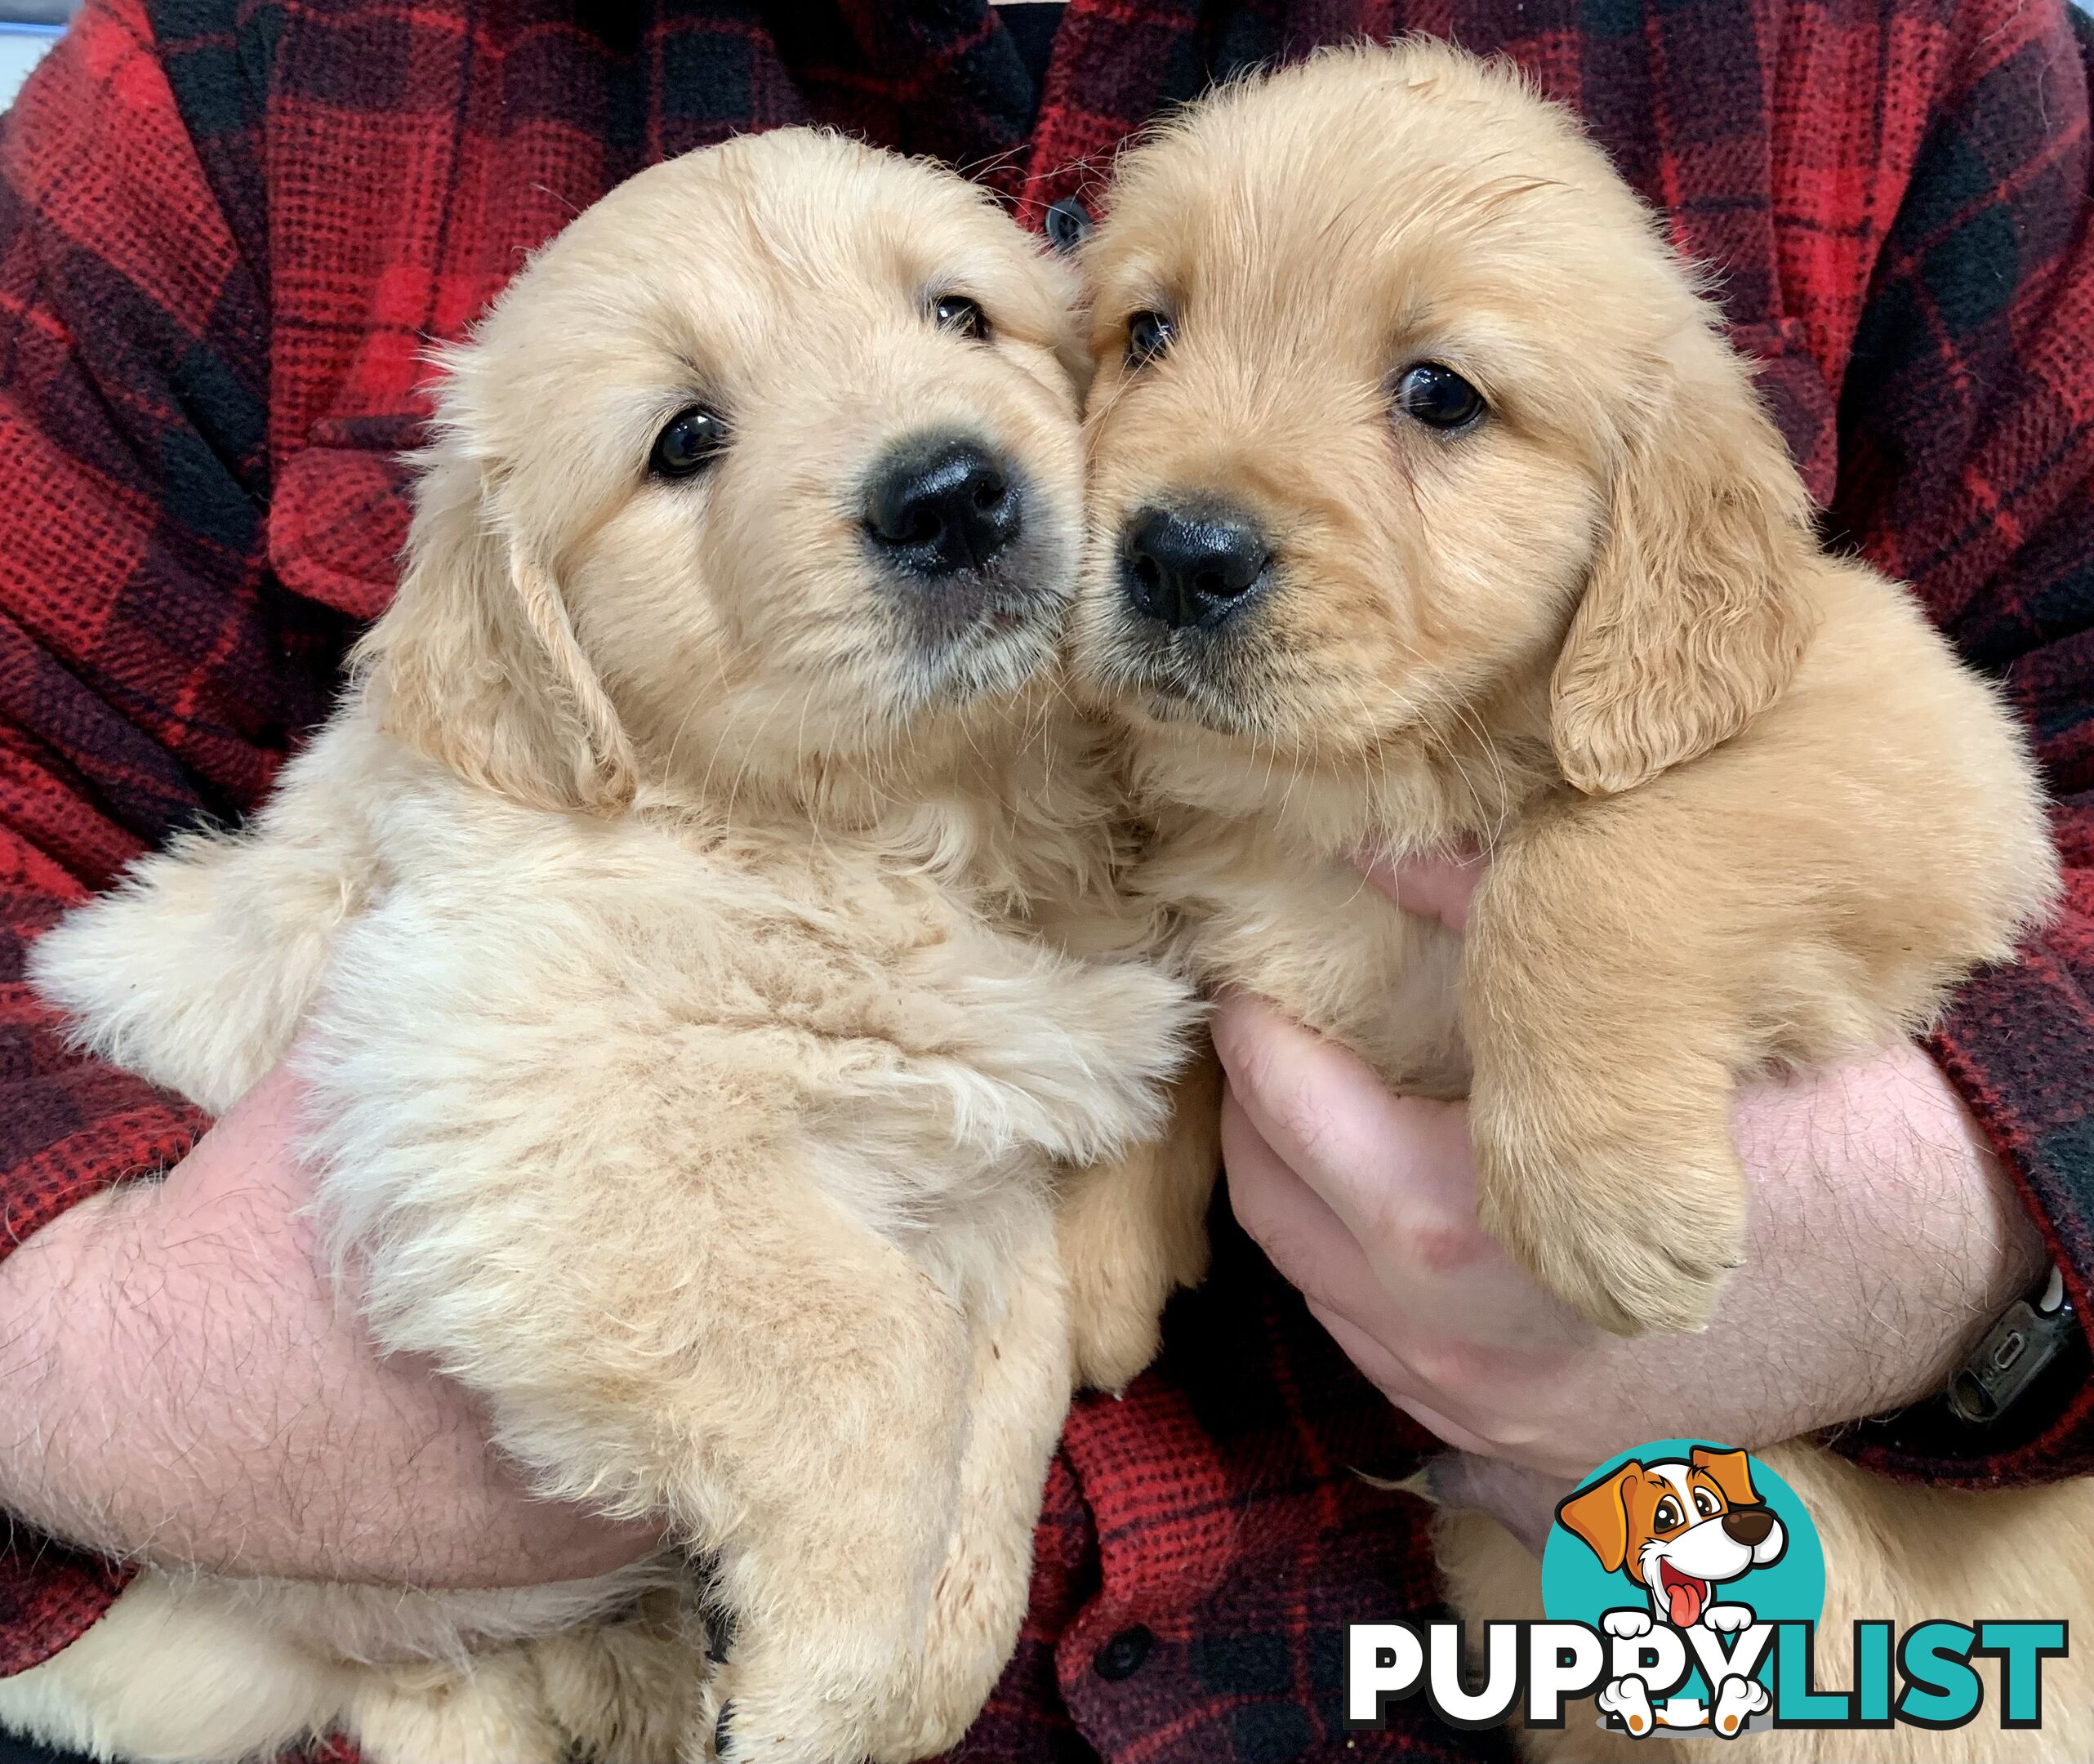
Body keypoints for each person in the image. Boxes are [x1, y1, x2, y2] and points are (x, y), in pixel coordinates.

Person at [0, 2, 2087, 1760]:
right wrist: (113, 1351)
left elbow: (1966, 782)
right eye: (1149, 333)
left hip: (1756, 1626)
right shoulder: (216, 97)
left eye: (1436, 398)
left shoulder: (1878, 57)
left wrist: (1966, 1241)